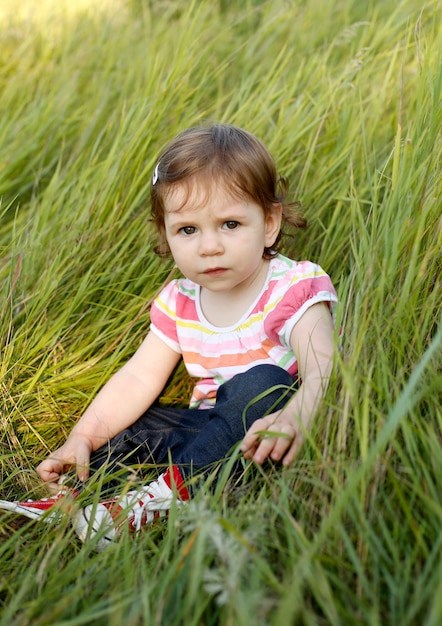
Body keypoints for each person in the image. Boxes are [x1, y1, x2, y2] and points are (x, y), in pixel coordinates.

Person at [0, 124, 338, 547]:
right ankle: (73, 501)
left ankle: (162, 502)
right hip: (204, 434)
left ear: (269, 223)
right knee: (138, 422)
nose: (209, 246)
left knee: (262, 383)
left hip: (266, 436)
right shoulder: (181, 300)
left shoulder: (293, 287)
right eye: (188, 230)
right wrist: (83, 436)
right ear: (167, 235)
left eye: (230, 224)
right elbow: (138, 378)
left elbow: (326, 365)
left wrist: (299, 414)